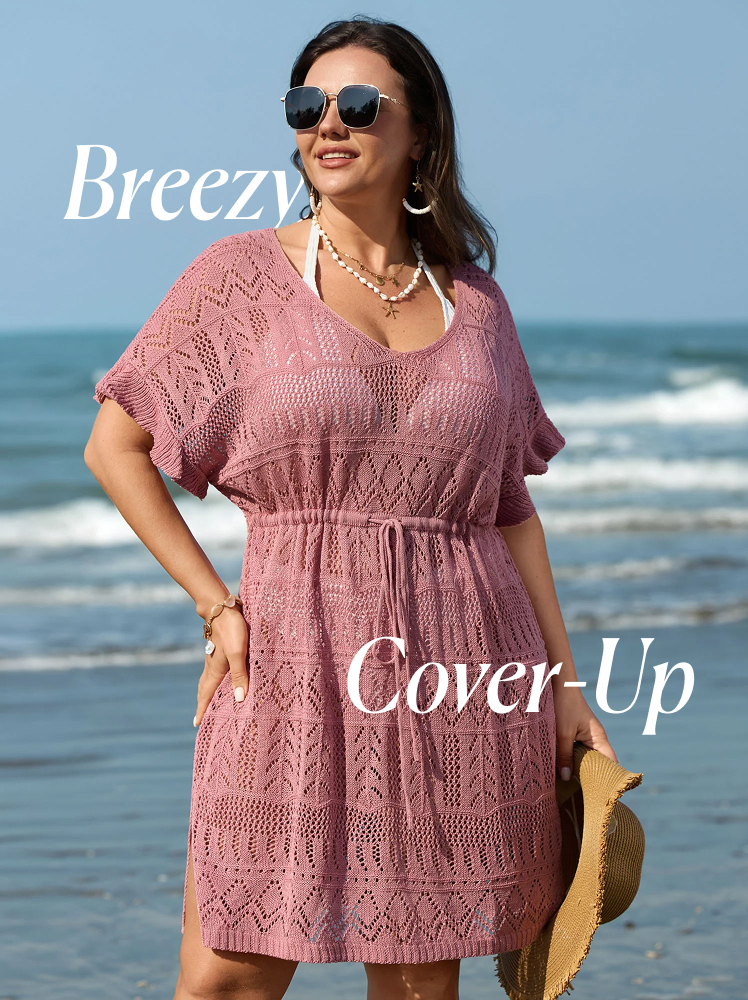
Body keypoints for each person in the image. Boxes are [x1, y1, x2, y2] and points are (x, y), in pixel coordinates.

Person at [84, 16, 617, 1000]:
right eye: (307, 106)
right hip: (292, 661)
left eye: (360, 105)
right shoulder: (239, 280)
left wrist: (568, 695)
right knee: (228, 975)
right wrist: (215, 604)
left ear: (420, 134)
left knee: (419, 980)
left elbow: (509, 511)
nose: (329, 124)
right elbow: (115, 444)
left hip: (463, 672)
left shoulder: (480, 309)